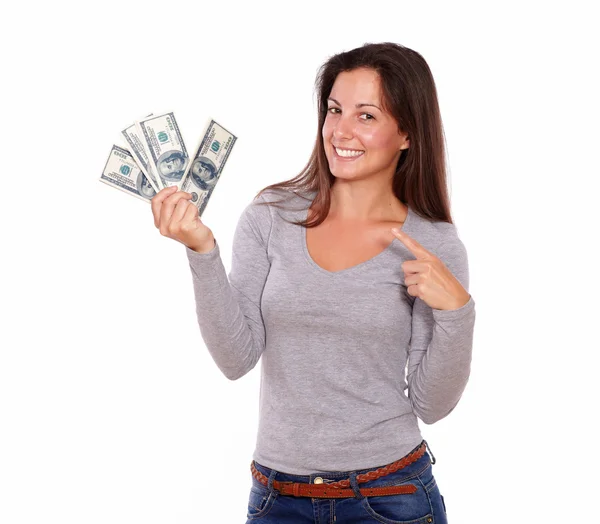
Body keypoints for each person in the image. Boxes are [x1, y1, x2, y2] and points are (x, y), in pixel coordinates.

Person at [150, 42, 476, 523]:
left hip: (391, 495)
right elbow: (235, 358)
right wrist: (201, 250)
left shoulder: (432, 243)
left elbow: (433, 404)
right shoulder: (270, 216)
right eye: (335, 110)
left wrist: (457, 312)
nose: (341, 131)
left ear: (406, 133)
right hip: (278, 497)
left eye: (367, 116)